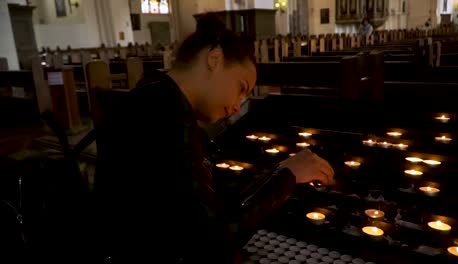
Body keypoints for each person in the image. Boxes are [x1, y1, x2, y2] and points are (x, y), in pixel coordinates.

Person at [92, 12, 334, 264]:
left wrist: (276, 173)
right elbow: (213, 238)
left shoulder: (152, 95)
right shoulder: (166, 115)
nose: (237, 107)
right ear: (215, 58)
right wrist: (288, 177)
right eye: (241, 88)